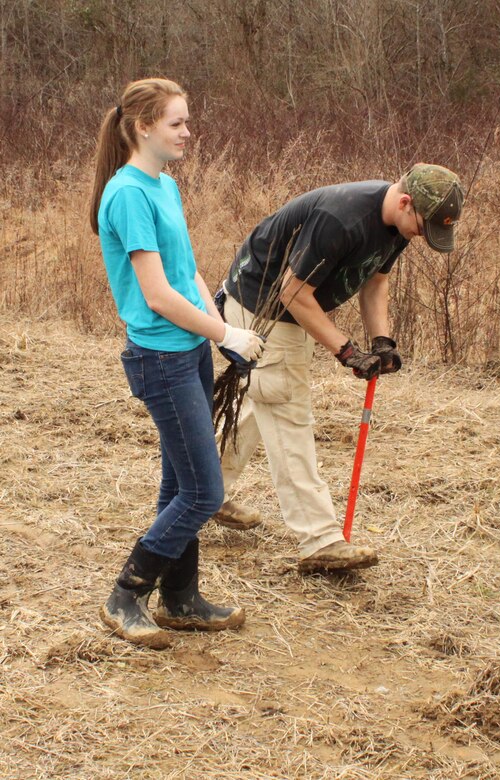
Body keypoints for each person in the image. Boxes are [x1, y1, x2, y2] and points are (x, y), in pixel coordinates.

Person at [213, 164, 464, 574]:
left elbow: (375, 281)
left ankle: (202, 492)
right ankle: (320, 540)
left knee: (267, 397)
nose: (422, 235)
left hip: (287, 304)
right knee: (286, 407)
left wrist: (381, 342)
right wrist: (346, 351)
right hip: (262, 305)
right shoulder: (342, 218)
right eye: (424, 225)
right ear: (405, 202)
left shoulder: (397, 226)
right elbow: (292, 290)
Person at [89, 78, 264, 648]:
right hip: (158, 360)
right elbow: (158, 295)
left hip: (188, 351)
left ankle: (182, 599)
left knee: (180, 481)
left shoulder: (163, 186)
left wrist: (217, 335)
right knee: (204, 493)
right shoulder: (128, 194)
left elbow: (185, 272)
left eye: (187, 122)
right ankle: (126, 594)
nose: (188, 133)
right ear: (143, 127)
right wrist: (228, 332)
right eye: (176, 123)